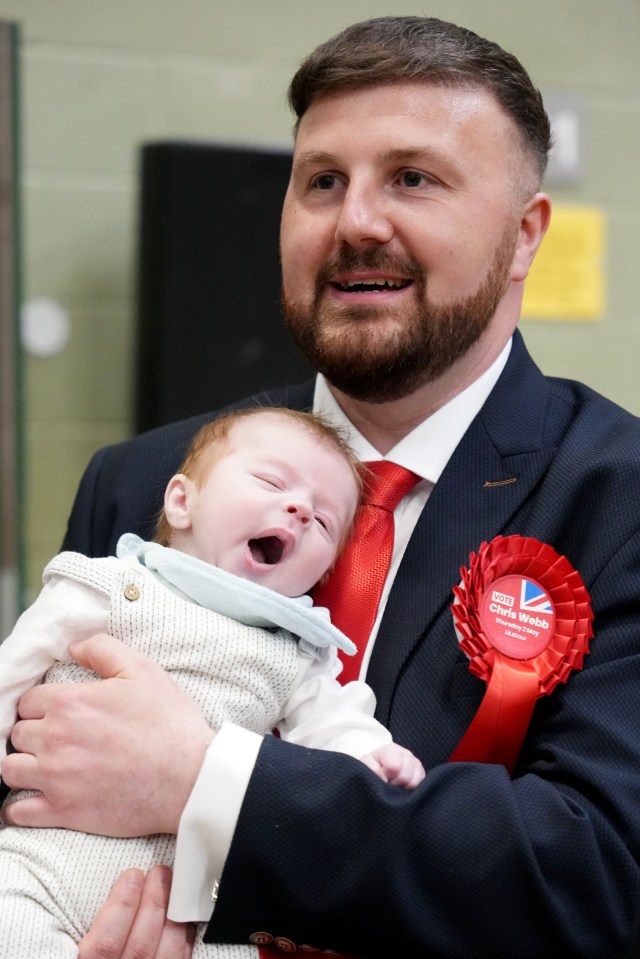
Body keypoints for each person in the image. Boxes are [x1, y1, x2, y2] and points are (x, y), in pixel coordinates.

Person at [3, 13, 640, 959]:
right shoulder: (142, 477)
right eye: (323, 182)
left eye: (413, 179)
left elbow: (601, 872)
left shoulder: (615, 498)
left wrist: (203, 778)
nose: (356, 223)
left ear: (523, 235)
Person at [0, 407, 424, 957]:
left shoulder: (295, 652)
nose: (298, 508)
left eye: (322, 522)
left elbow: (333, 724)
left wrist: (373, 754)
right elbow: (12, 672)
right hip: (46, 866)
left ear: (322, 575)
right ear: (182, 502)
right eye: (271, 482)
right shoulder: (107, 586)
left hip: (198, 909)